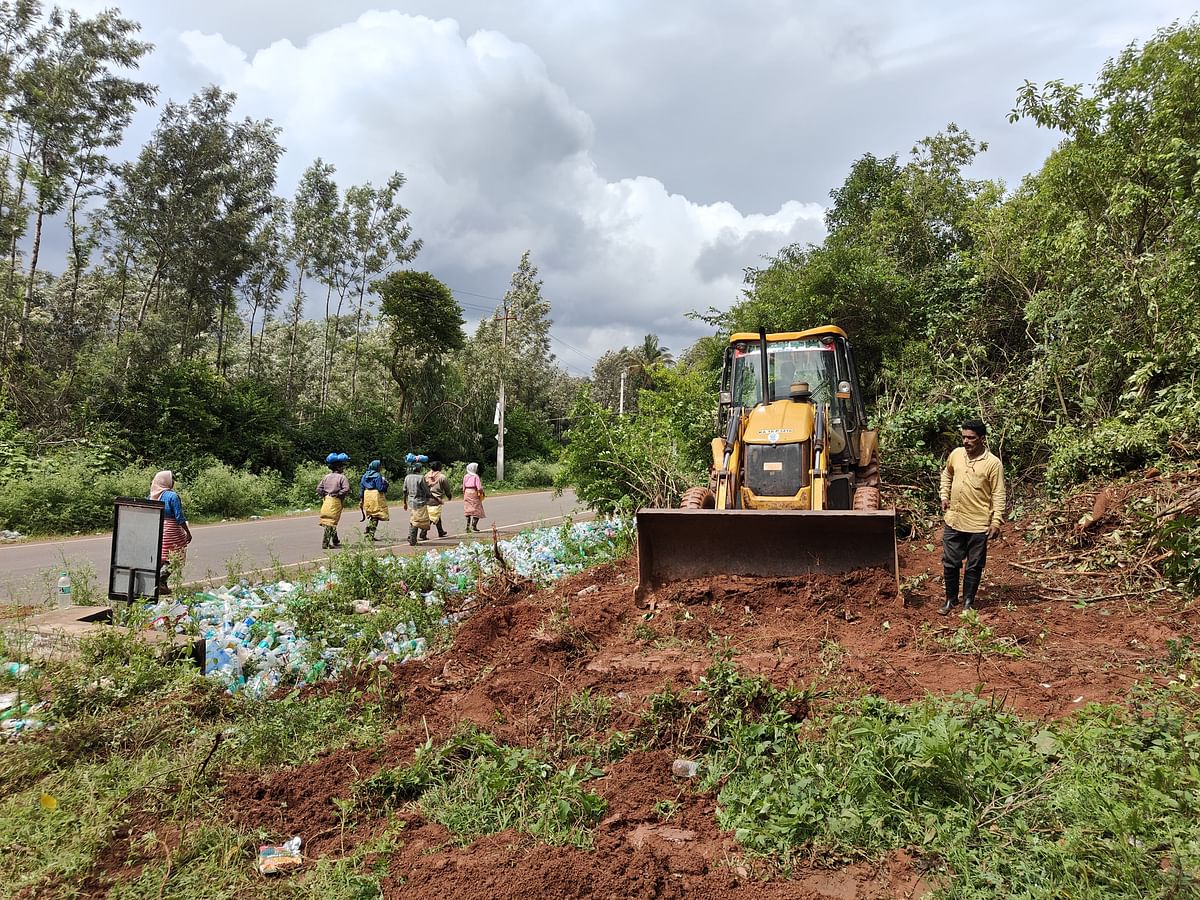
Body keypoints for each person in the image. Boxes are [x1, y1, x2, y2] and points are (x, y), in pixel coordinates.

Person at [939, 420, 1006, 615]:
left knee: (974, 565)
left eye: (971, 438)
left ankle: (968, 602)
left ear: (982, 439)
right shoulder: (956, 455)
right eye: (964, 437)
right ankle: (950, 600)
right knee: (951, 562)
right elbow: (947, 474)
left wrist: (996, 520)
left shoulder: (993, 464)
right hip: (954, 520)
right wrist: (944, 495)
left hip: (978, 524)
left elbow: (998, 493)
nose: (966, 441)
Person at [149, 470, 192, 596]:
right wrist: (187, 532)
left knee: (163, 557)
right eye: (171, 479)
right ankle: (161, 581)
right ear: (165, 481)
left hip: (158, 528)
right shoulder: (172, 496)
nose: (173, 482)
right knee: (174, 558)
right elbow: (179, 517)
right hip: (172, 530)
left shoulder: (152, 496)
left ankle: (162, 585)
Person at [318, 452, 352, 550]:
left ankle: (336, 540)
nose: (343, 469)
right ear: (338, 467)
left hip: (326, 500)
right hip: (335, 501)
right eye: (342, 467)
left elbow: (319, 489)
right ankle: (325, 543)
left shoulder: (326, 477)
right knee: (330, 522)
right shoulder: (342, 477)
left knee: (331, 520)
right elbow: (346, 489)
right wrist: (338, 494)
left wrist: (324, 494)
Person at [402, 454, 432, 545]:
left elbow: (404, 491)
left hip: (411, 502)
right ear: (418, 469)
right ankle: (412, 540)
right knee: (417, 521)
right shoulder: (421, 478)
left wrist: (404, 503)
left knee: (413, 519)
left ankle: (410, 536)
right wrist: (431, 496)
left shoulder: (407, 477)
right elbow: (426, 491)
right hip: (420, 502)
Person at [359, 459, 389, 541]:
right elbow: (380, 488)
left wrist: (361, 499)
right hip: (375, 495)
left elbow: (361, 488)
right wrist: (386, 484)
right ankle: (370, 534)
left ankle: (368, 532)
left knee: (372, 514)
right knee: (376, 515)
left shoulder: (365, 475)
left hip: (367, 495)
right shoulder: (377, 475)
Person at [425, 461, 453, 538]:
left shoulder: (426, 476)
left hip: (427, 498)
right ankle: (423, 532)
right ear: (439, 467)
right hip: (436, 499)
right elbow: (446, 488)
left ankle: (440, 531)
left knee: (435, 514)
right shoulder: (442, 477)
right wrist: (449, 496)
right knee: (433, 516)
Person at [462, 462, 486, 533]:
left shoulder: (466, 476)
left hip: (467, 492)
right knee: (477, 509)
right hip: (474, 492)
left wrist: (464, 493)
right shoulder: (476, 476)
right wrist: (482, 493)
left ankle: (467, 526)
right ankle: (474, 525)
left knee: (468, 510)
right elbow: (479, 488)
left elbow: (463, 486)